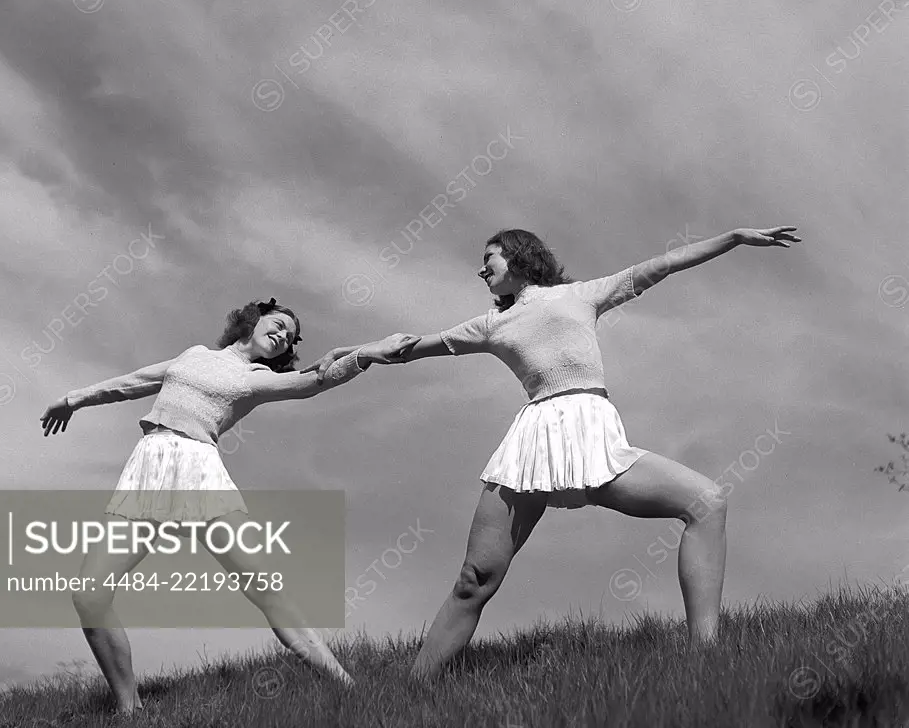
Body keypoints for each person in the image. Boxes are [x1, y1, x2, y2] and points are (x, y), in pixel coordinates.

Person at [310, 226, 800, 678]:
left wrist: (734, 237)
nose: (481, 270)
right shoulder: (489, 325)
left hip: (594, 436)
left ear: (520, 256)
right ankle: (412, 692)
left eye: (490, 259)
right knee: (474, 578)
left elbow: (664, 263)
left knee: (707, 502)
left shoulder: (580, 295)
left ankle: (704, 660)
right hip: (531, 444)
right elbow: (409, 347)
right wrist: (355, 352)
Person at [40, 297, 419, 711]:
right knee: (89, 595)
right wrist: (74, 398)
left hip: (199, 472)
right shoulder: (194, 355)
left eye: (289, 338)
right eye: (277, 325)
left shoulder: (256, 377)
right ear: (252, 321)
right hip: (149, 466)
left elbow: (316, 382)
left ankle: (349, 689)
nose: (282, 336)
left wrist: (368, 354)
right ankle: (130, 710)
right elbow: (134, 381)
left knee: (266, 590)